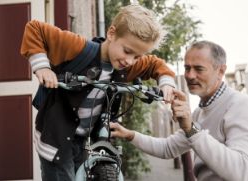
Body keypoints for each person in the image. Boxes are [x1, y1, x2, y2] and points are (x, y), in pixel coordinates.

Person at [20, 4, 176, 181]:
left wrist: (166, 84)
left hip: (83, 138)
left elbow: (155, 64)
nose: (130, 61)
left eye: (137, 57)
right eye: (127, 51)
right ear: (111, 33)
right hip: (57, 137)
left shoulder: (126, 64)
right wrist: (43, 67)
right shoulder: (78, 48)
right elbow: (35, 29)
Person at [110, 40, 248, 181]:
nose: (190, 75)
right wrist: (129, 134)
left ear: (221, 71)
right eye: (187, 68)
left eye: (199, 69)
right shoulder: (199, 113)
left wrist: (191, 129)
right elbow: (168, 148)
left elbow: (242, 171)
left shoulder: (240, 105)